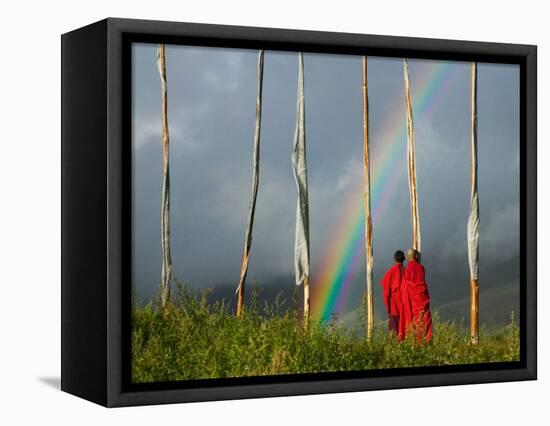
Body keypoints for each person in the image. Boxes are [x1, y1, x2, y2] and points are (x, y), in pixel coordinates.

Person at [398, 248, 433, 343]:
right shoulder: (421, 268)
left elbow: (404, 289)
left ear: (408, 257)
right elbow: (421, 283)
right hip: (422, 299)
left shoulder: (407, 270)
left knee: (415, 322)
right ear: (416, 256)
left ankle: (416, 344)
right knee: (425, 320)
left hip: (413, 302)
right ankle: (427, 342)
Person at [380, 250, 405, 334]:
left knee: (394, 333)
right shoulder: (407, 271)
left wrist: (388, 307)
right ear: (404, 259)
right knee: (404, 332)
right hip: (405, 307)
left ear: (395, 259)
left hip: (393, 307)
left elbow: (386, 291)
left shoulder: (391, 272)